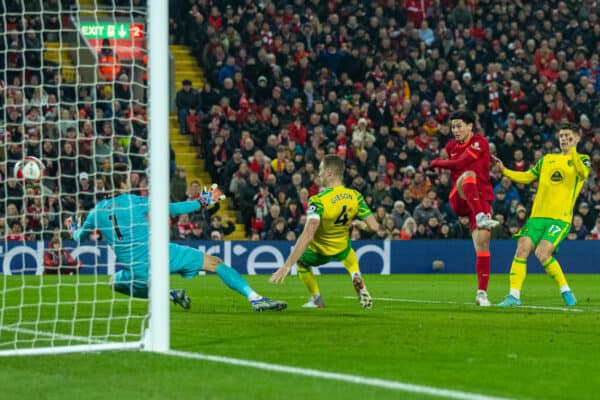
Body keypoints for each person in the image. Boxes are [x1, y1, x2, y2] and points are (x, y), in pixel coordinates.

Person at [70, 164, 286, 312]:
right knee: (214, 264)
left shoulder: (95, 212)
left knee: (113, 282)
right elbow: (173, 208)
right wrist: (203, 201)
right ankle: (255, 298)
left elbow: (78, 237)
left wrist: (71, 227)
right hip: (160, 255)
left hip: (137, 270)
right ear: (123, 184)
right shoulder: (133, 200)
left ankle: (168, 294)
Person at [492, 123, 590, 307]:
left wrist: (573, 150)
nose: (564, 139)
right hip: (537, 217)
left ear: (577, 138)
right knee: (522, 248)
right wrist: (504, 170)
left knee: (542, 252)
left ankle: (566, 290)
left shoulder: (583, 159)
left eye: (568, 136)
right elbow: (528, 176)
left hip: (560, 218)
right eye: (561, 136)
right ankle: (513, 296)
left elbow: (582, 173)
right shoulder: (547, 159)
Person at [269, 155, 381, 309]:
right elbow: (375, 227)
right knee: (349, 254)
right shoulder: (356, 196)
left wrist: (287, 265)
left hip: (320, 250)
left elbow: (308, 234)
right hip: (342, 246)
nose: (319, 174)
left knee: (302, 263)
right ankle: (355, 274)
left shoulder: (318, 200)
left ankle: (317, 299)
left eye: (320, 170)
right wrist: (361, 226)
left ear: (328, 172)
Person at [429, 110, 498, 307]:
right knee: (468, 175)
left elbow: (459, 162)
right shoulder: (451, 146)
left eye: (459, 126)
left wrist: (437, 162)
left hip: (481, 198)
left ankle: (482, 293)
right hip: (459, 197)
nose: (456, 130)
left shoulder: (479, 142)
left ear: (470, 126)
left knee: (483, 245)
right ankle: (481, 215)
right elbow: (460, 166)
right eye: (453, 127)